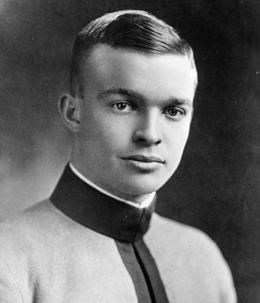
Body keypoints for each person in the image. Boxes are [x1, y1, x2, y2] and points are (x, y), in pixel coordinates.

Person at [0, 10, 236, 303]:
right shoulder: (10, 258)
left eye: (173, 111)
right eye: (123, 105)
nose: (150, 134)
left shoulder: (203, 261)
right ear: (73, 113)